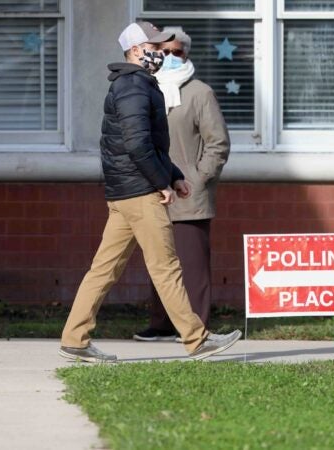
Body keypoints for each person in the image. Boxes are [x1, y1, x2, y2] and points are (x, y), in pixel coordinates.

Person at [58, 22, 241, 363]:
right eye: (154, 47)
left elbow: (151, 145)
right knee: (166, 267)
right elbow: (137, 144)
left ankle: (74, 339)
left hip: (126, 193)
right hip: (140, 194)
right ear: (136, 51)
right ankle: (197, 339)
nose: (160, 53)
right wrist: (160, 183)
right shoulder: (133, 86)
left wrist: (174, 176)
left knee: (104, 269)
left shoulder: (137, 83)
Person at [133, 27, 230, 342]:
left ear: (187, 54)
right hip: (154, 190)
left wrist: (198, 178)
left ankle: (196, 326)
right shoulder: (146, 89)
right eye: (166, 51)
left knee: (192, 265)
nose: (171, 57)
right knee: (160, 261)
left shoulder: (200, 92)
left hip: (189, 194)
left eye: (178, 52)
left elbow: (218, 144)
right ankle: (161, 323)